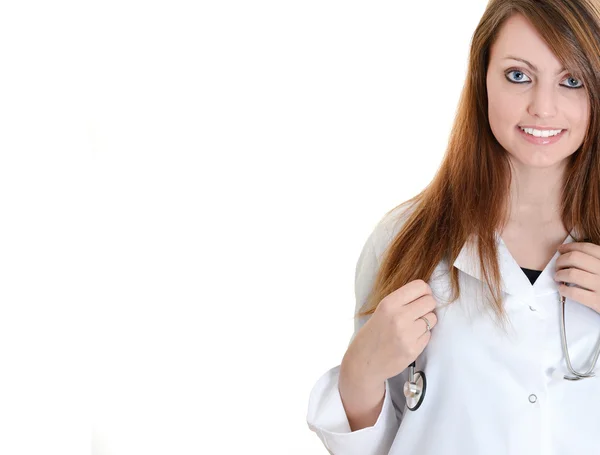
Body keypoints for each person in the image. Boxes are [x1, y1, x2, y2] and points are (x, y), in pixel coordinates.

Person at [306, 1, 600, 454]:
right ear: (482, 79)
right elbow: (374, 445)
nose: (543, 107)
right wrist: (360, 370)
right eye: (518, 75)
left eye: (571, 80)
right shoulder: (406, 238)